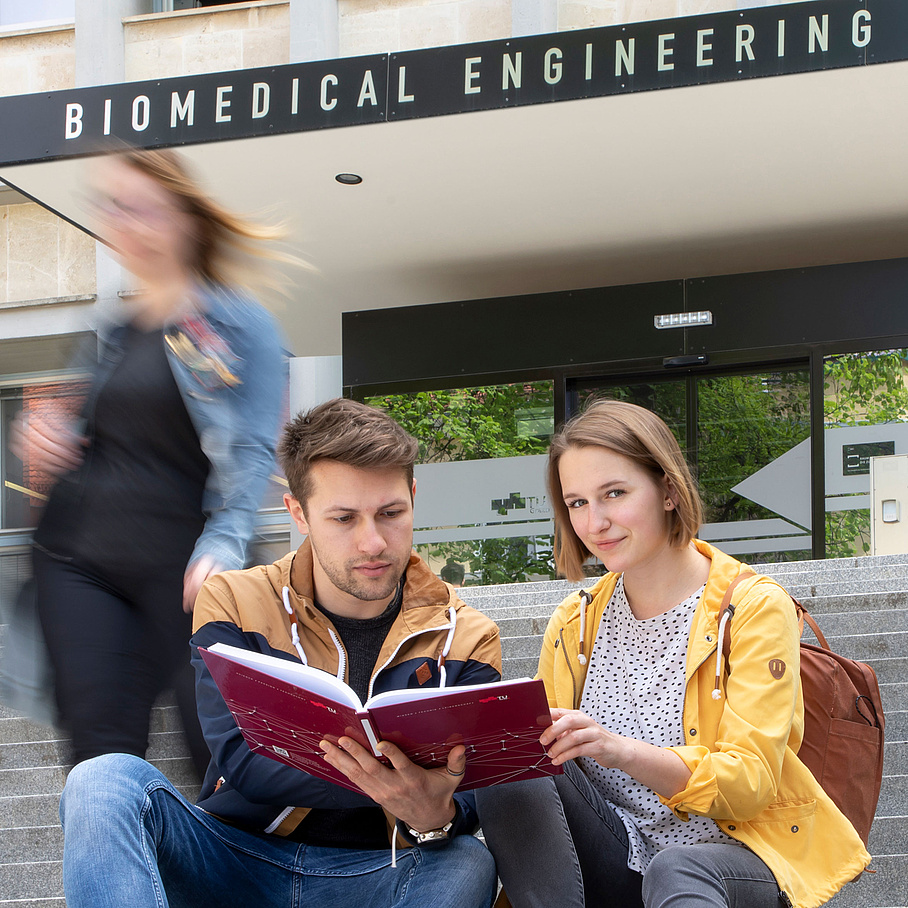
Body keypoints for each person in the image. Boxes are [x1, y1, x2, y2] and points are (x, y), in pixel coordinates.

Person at [57, 398, 501, 908]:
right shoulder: (234, 601)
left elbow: (471, 798)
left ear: (414, 496)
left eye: (391, 513)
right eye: (343, 518)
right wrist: (403, 787)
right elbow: (242, 757)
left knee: (468, 861)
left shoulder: (467, 635)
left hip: (384, 870)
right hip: (232, 861)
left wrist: (435, 816)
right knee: (102, 779)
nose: (373, 541)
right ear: (299, 513)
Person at [476, 399, 871, 908]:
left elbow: (750, 782)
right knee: (516, 777)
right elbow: (544, 759)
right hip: (618, 850)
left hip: (727, 858)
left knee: (676, 867)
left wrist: (619, 750)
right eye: (576, 503)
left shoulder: (753, 607)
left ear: (667, 488)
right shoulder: (573, 624)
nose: (595, 523)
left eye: (614, 493)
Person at [9, 147, 286, 777]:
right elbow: (84, 433)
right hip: (78, 564)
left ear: (184, 216)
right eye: (112, 208)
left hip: (188, 575)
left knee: (219, 758)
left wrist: (226, 539)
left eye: (140, 207)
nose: (123, 223)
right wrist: (42, 434)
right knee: (101, 767)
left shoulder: (238, 325)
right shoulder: (111, 328)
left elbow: (248, 450)